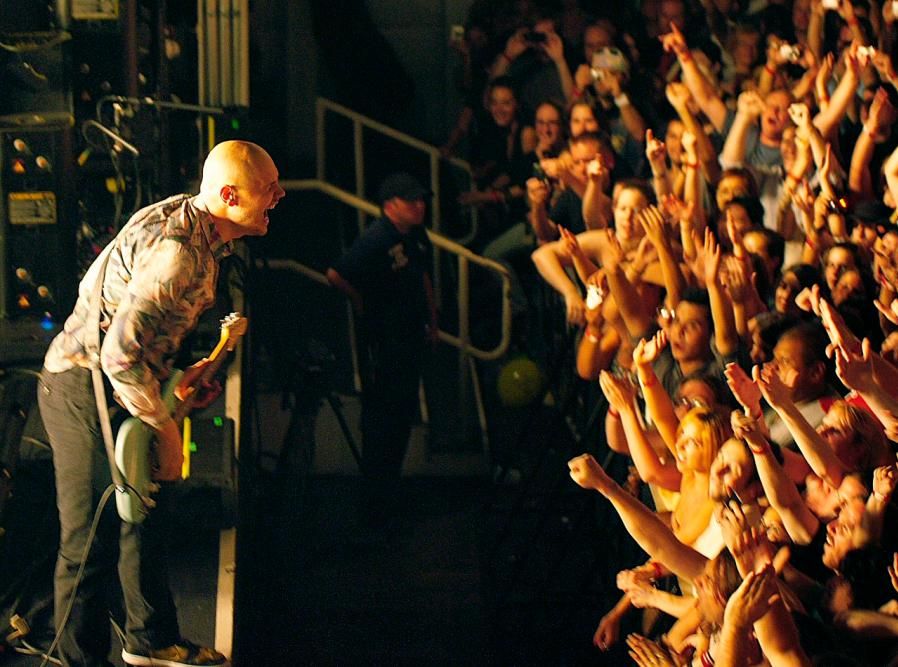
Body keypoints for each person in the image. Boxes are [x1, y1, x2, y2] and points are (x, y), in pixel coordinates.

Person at [37, 140, 284, 667]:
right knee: (88, 544)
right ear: (229, 195)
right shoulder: (181, 255)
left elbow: (134, 340)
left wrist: (176, 378)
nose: (279, 197)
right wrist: (167, 430)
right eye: (269, 188)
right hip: (84, 387)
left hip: (117, 384)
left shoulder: (194, 225)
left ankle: (150, 640)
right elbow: (118, 356)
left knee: (143, 518)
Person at [326, 172, 438, 528]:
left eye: (420, 200)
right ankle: (375, 501)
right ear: (390, 206)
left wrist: (431, 320)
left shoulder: (415, 236)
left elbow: (422, 276)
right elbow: (337, 273)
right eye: (411, 201)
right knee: (383, 420)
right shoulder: (376, 239)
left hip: (410, 336)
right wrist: (361, 301)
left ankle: (388, 493)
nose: (419, 206)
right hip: (386, 341)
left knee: (401, 416)